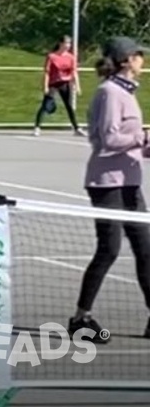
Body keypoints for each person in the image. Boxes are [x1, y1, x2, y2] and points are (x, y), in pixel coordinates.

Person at [68, 36, 150, 343]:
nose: (143, 61)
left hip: (130, 183)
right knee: (109, 249)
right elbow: (107, 141)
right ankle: (80, 318)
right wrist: (141, 138)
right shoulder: (110, 93)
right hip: (107, 184)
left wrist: (146, 146)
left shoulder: (127, 93)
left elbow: (129, 143)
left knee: (146, 251)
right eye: (139, 56)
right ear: (126, 60)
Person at [35, 35, 82, 137]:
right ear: (60, 43)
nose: (68, 45)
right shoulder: (52, 56)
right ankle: (37, 127)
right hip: (53, 83)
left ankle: (76, 128)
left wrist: (77, 86)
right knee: (45, 105)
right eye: (66, 43)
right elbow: (47, 72)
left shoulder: (71, 57)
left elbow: (74, 72)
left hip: (65, 83)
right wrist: (45, 86)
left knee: (69, 106)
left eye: (69, 43)